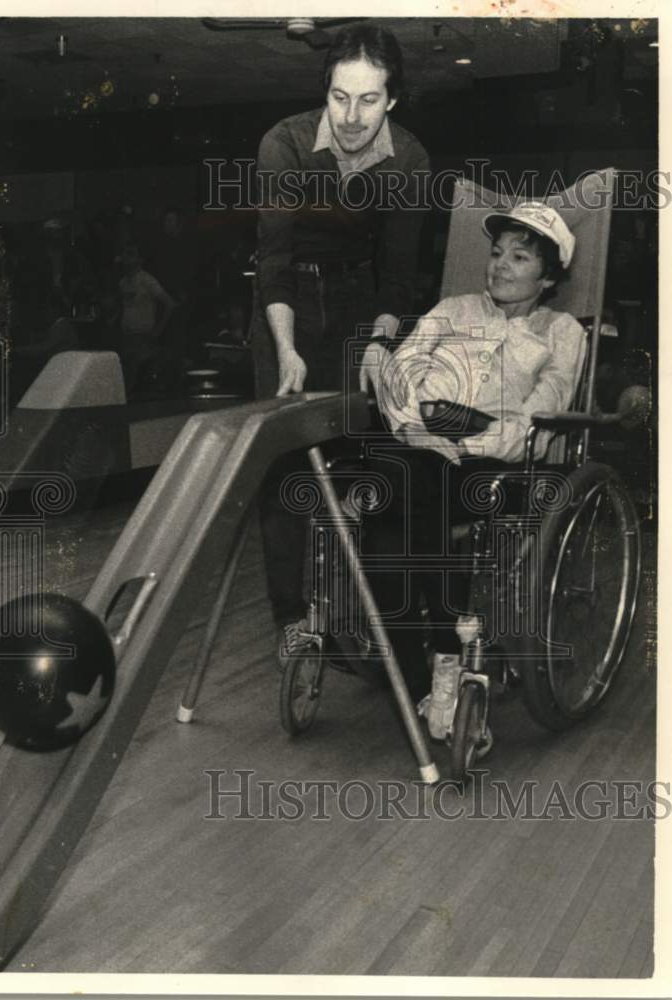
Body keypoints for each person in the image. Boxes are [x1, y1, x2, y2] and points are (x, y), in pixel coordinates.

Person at [359, 201, 585, 739]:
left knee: (408, 495)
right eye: (496, 252)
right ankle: (438, 661)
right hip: (418, 442)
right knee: (401, 482)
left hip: (498, 464)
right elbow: (401, 371)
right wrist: (418, 430)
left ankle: (427, 664)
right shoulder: (451, 309)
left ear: (549, 276)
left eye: (521, 257)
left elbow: (544, 415)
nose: (501, 264)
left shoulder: (563, 331)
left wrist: (467, 443)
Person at [251, 23, 430, 666]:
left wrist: (381, 344)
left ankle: (364, 611)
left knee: (367, 459)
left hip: (361, 309)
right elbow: (274, 260)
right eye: (339, 97)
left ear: (394, 100)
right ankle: (290, 624)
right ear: (325, 91)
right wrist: (286, 351)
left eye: (370, 100)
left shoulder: (409, 159)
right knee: (284, 473)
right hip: (286, 305)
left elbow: (399, 274)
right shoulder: (285, 144)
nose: (352, 117)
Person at [119, 244, 175, 396]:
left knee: (139, 383)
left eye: (131, 255)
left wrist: (158, 331)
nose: (127, 259)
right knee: (125, 381)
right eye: (125, 255)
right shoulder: (122, 282)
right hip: (127, 338)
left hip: (143, 337)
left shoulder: (148, 280)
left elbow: (169, 304)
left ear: (139, 259)